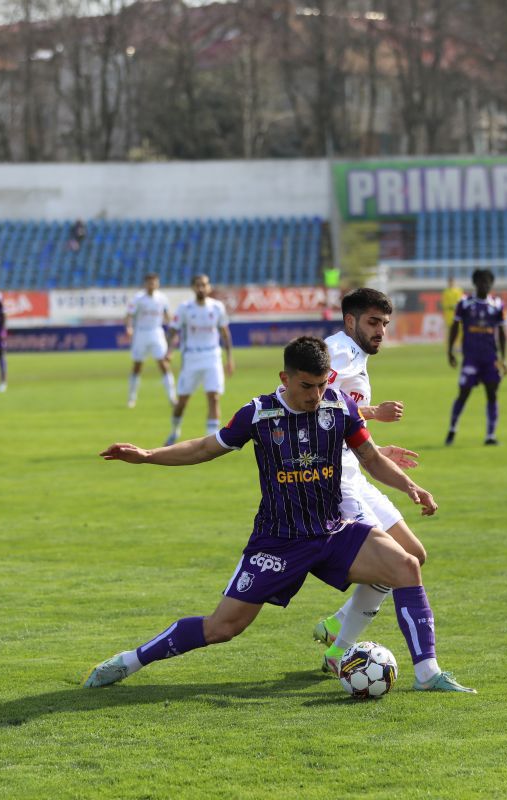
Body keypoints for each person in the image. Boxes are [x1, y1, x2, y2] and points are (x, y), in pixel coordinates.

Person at [85, 336, 475, 693]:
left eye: (322, 384)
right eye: (307, 386)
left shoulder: (340, 407)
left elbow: (371, 458)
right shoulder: (258, 413)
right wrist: (148, 455)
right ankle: (129, 661)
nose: (316, 395)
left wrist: (410, 486)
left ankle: (427, 673)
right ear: (285, 378)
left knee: (407, 565)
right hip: (278, 542)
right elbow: (205, 448)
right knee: (222, 627)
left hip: (332, 532)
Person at [312, 288, 431, 675]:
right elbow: (313, 402)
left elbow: (340, 416)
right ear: (351, 321)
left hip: (353, 467)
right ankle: (339, 650)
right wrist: (374, 412)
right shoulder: (338, 352)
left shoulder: (354, 353)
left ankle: (335, 625)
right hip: (335, 479)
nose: (381, 330)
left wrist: (375, 449)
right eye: (373, 322)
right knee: (396, 563)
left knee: (414, 554)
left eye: (384, 323)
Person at [165, 274, 234, 446]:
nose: (201, 288)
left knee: (214, 397)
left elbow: (225, 333)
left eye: (204, 285)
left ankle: (211, 440)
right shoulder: (185, 308)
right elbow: (173, 330)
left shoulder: (217, 307)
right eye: (198, 285)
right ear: (193, 287)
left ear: (209, 287)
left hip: (212, 357)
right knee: (182, 401)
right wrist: (169, 350)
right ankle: (174, 431)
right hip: (191, 358)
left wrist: (229, 358)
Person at [445, 269, 507, 446]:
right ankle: (452, 429)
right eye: (481, 281)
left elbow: (502, 332)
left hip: (490, 359)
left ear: (491, 284)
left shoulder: (497, 305)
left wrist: (504, 358)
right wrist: (450, 351)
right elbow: (455, 326)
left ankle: (490, 435)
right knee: (463, 393)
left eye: (487, 282)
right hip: (471, 358)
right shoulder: (464, 303)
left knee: (492, 394)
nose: (484, 285)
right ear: (475, 283)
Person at [124, 273, 176, 408]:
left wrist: (172, 328)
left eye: (154, 282)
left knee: (164, 364)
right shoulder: (138, 298)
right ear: (145, 284)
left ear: (158, 283)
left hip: (156, 332)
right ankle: (131, 398)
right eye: (149, 283)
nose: (152, 285)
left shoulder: (162, 298)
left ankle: (172, 397)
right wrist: (129, 327)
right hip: (141, 333)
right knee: (137, 366)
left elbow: (168, 316)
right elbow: (129, 315)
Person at [441, 274, 465, 340]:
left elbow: (461, 300)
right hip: (449, 314)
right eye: (450, 281)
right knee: (449, 330)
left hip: (458, 313)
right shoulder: (445, 291)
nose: (451, 283)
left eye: (452, 281)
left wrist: (457, 307)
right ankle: (450, 344)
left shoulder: (459, 290)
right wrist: (449, 307)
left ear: (454, 282)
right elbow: (444, 304)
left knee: (460, 330)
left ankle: (459, 344)